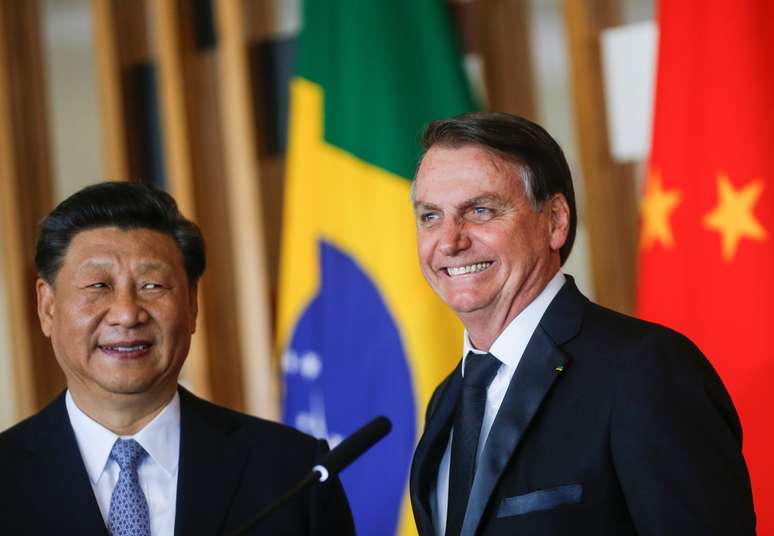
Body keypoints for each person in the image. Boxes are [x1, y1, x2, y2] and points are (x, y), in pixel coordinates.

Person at [408, 112, 755, 535]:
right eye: (430, 217)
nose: (449, 240)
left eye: (479, 210)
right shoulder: (447, 398)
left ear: (554, 220)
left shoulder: (644, 371)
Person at [0, 181, 354, 535]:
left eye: (152, 285)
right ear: (47, 307)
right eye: (98, 286)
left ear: (191, 304)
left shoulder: (293, 472)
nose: (127, 313)